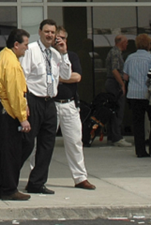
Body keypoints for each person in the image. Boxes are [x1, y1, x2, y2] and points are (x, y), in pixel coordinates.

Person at [0, 28, 31, 201]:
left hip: (1, 108)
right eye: (25, 45)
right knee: (12, 150)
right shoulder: (10, 62)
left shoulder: (0, 57)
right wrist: (23, 117)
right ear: (16, 44)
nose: (27, 48)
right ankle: (9, 188)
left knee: (3, 151)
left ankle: (1, 187)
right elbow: (14, 92)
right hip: (8, 109)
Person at [18, 19, 60, 194]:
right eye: (47, 31)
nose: (50, 35)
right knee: (26, 144)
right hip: (33, 100)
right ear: (40, 32)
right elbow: (22, 77)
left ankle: (37, 183)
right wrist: (24, 103)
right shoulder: (31, 51)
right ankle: (9, 178)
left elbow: (64, 75)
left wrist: (64, 53)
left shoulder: (56, 55)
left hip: (50, 102)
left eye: (52, 32)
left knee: (47, 145)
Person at [52, 28, 94, 190]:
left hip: (69, 104)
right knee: (43, 142)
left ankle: (80, 178)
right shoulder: (47, 56)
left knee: (75, 142)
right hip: (51, 104)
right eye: (56, 38)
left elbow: (77, 77)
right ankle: (36, 177)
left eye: (62, 38)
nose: (59, 41)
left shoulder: (72, 56)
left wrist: (57, 77)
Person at [123, 34, 151, 158]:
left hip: (133, 93)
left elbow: (125, 76)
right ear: (148, 44)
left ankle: (140, 150)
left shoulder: (130, 58)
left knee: (138, 123)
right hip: (147, 93)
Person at [104, 35, 131, 147]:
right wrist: (122, 84)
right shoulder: (115, 53)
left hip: (112, 82)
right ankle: (117, 137)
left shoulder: (114, 52)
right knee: (117, 110)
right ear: (121, 42)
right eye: (126, 42)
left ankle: (111, 136)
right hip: (114, 83)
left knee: (112, 110)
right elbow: (115, 69)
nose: (127, 44)